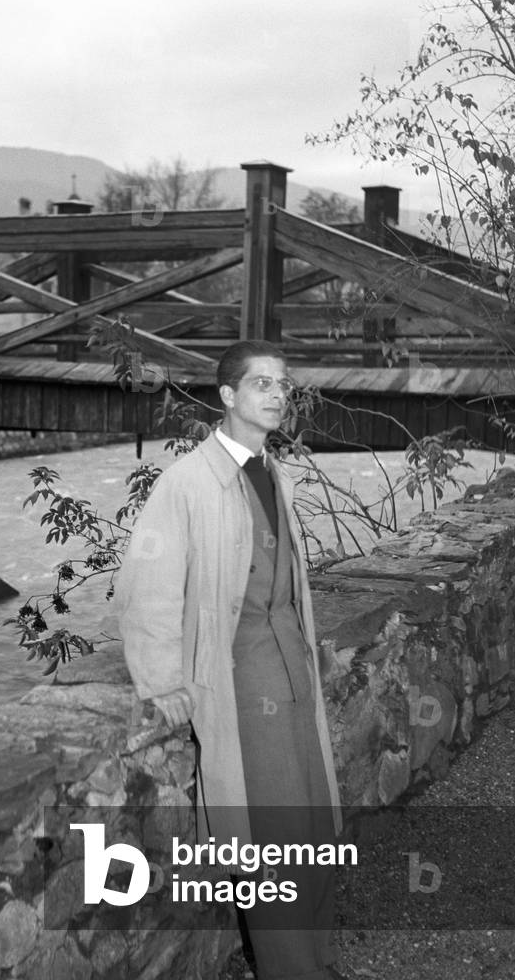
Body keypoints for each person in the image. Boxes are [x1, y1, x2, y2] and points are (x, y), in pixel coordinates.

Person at [116, 339, 347, 980]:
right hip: (241, 684)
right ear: (227, 397)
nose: (277, 395)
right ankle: (292, 972)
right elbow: (147, 588)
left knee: (318, 828)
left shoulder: (276, 473)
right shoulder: (187, 482)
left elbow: (285, 585)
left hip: (295, 676)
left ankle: (317, 961)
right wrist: (164, 682)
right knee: (273, 842)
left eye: (283, 385)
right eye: (262, 384)